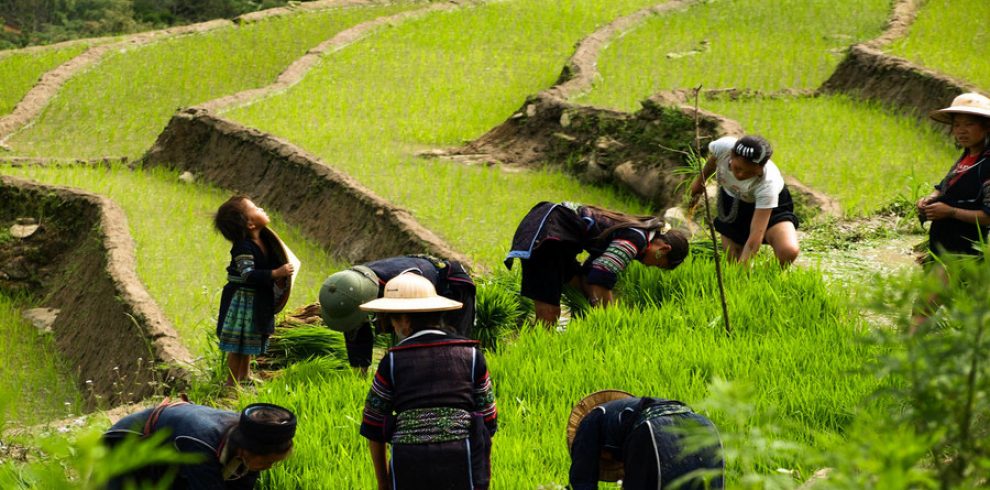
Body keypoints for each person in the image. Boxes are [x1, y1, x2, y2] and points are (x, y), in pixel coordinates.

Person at [358, 273, 497, 490]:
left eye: (392, 319)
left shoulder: (392, 361)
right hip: (462, 457)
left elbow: (373, 424)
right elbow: (488, 419)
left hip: (409, 462)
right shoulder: (470, 355)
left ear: (404, 320)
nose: (393, 327)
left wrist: (383, 483)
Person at [504, 201, 689, 326]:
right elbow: (602, 275)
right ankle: (540, 354)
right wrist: (611, 320)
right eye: (659, 264)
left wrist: (595, 303)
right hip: (549, 235)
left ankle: (554, 341)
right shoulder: (636, 239)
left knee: (581, 291)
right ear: (663, 250)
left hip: (555, 233)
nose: (649, 266)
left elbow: (590, 273)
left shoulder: (637, 233)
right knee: (550, 313)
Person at [319, 255, 475, 373]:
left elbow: (413, 328)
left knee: (452, 351)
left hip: (451, 288)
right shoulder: (353, 288)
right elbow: (356, 327)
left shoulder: (401, 284)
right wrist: (359, 376)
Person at [912, 93, 990, 327]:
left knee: (923, 308)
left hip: (962, 252)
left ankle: (908, 355)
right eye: (957, 125)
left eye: (969, 124)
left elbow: (988, 217)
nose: (961, 131)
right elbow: (945, 186)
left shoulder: (987, 165)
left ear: (986, 127)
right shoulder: (967, 157)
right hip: (943, 247)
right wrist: (930, 199)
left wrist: (951, 212)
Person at [103, 398, 297, 489]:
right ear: (249, 450)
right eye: (267, 462)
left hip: (168, 452)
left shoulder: (249, 439)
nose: (268, 467)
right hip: (126, 443)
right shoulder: (202, 443)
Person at [567, 390, 723, 490]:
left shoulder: (588, 421)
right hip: (703, 424)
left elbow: (582, 479)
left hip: (653, 429)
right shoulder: (629, 411)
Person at [214, 196, 294, 386]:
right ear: (250, 223)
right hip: (242, 301)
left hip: (257, 300)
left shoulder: (264, 241)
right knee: (238, 345)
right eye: (255, 208)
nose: (261, 208)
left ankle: (246, 375)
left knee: (250, 340)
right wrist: (276, 273)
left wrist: (281, 278)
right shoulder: (243, 247)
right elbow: (248, 275)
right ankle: (231, 383)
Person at [689, 135, 800, 266]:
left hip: (772, 208)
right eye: (738, 168)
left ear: (761, 167)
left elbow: (755, 236)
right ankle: (745, 275)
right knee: (733, 259)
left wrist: (740, 273)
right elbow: (712, 162)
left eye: (750, 173)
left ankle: (766, 279)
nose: (741, 175)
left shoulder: (768, 183)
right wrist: (700, 181)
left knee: (788, 251)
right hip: (733, 202)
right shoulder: (723, 147)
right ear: (731, 155)